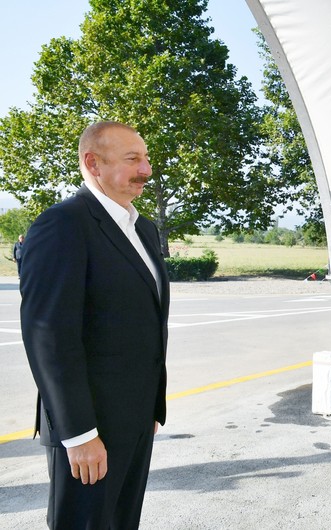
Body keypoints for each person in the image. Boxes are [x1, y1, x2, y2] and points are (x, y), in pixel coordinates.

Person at [20, 121, 170, 529]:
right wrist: (80, 434)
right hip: (90, 429)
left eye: (146, 158)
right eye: (133, 159)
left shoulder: (143, 228)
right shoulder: (63, 225)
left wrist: (150, 407)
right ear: (93, 163)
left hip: (136, 419)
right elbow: (49, 336)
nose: (146, 169)